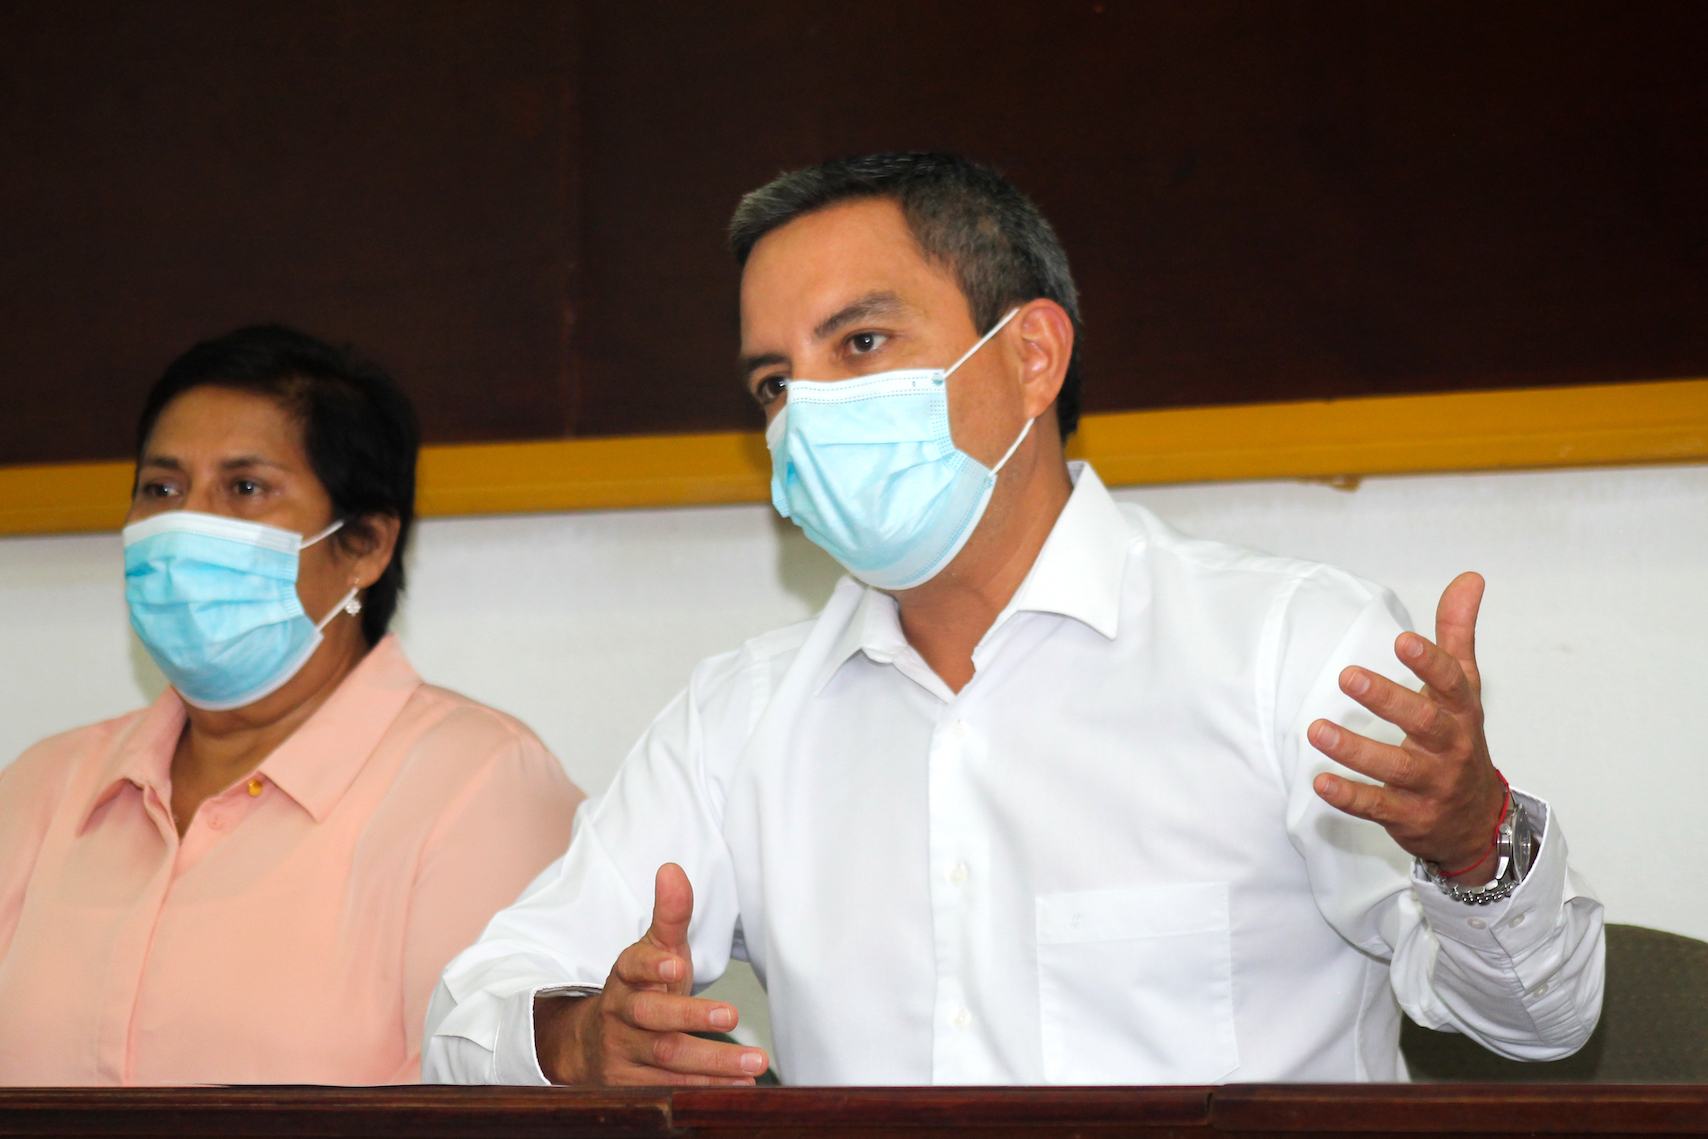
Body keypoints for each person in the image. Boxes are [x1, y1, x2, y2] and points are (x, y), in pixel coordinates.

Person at [425, 154, 1603, 1086]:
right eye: (774, 382)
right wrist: (578, 1038)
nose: (806, 414)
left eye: (861, 344)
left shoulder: (1286, 647)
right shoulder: (739, 719)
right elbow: (473, 1007)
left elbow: (1542, 1020)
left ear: (1031, 354)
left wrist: (1473, 844)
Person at [0, 326, 584, 1085]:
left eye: (245, 488)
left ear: (366, 544)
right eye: (161, 489)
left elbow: (485, 1101)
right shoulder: (43, 786)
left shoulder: (480, 786)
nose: (186, 524)